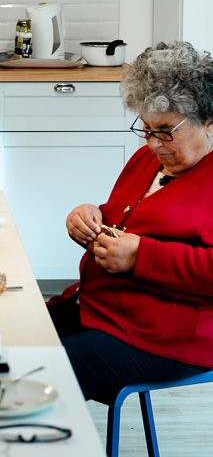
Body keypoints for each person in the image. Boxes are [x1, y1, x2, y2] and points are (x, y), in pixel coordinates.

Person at [48, 41, 213, 404]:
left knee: (41, 371)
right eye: (147, 128)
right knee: (12, 338)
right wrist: (91, 217)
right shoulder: (148, 158)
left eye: (166, 130)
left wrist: (141, 256)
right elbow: (131, 214)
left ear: (209, 123)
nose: (154, 143)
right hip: (103, 309)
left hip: (165, 337)